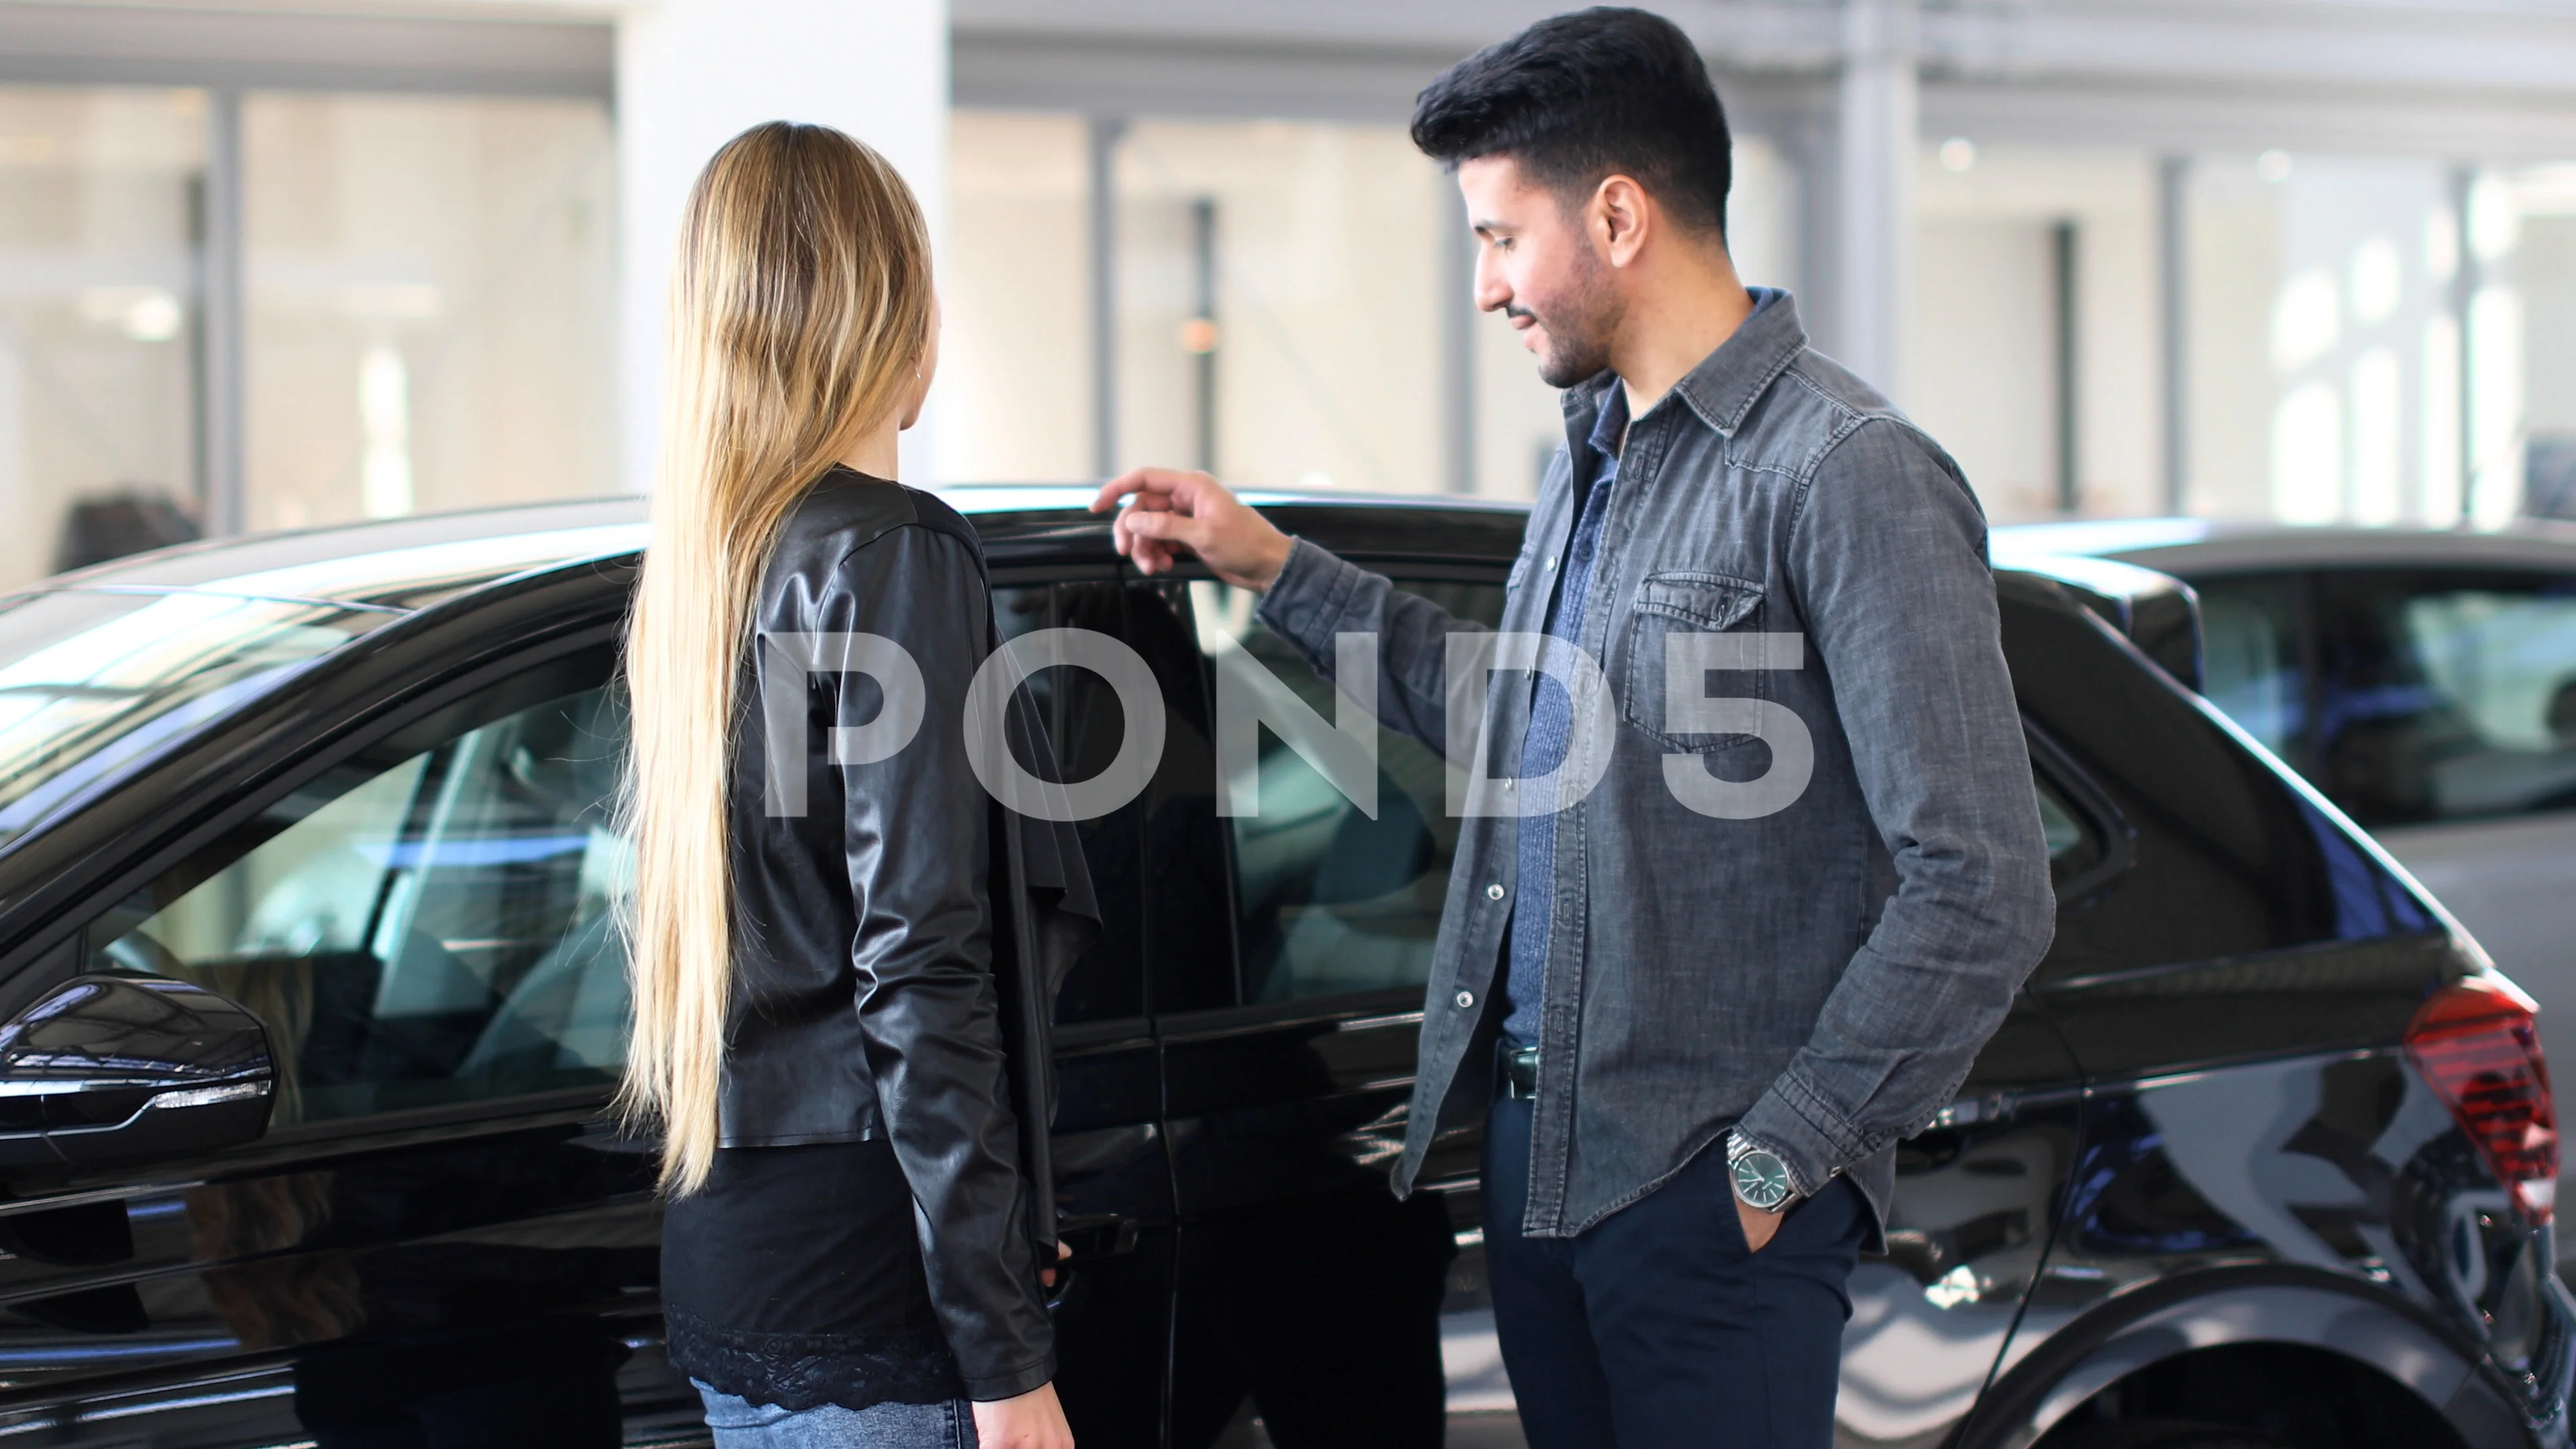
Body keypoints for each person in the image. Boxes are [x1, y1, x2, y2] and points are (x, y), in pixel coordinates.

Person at [1092, 9, 2057, 1447]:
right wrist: (1271, 566)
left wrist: (1778, 1157)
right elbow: (1509, 718)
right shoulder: (1593, 464)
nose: (1486, 287)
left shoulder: (1847, 476)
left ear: (1616, 215)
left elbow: (1983, 886)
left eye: (1498, 236)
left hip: (1708, 1189)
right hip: (1545, 1172)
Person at [619, 121, 1086, 1449]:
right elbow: (917, 965)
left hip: (732, 1272)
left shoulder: (707, 574)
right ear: (887, 308)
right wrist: (1007, 1357)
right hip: (883, 1292)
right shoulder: (892, 553)